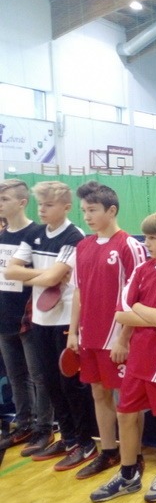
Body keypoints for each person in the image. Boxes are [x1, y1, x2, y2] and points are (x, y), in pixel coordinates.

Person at [90, 211, 156, 503]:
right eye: (145, 237)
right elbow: (121, 314)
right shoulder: (141, 270)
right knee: (125, 413)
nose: (146, 243)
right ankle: (128, 474)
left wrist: (137, 307)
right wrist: (146, 318)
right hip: (137, 359)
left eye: (152, 237)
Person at [6, 181, 96, 470]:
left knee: (70, 386)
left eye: (49, 205)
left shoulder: (74, 236)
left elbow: (50, 278)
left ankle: (85, 443)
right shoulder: (34, 234)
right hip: (39, 320)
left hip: (65, 321)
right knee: (51, 384)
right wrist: (45, 275)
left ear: (66, 207)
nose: (42, 210)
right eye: (40, 205)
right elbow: (11, 270)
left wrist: (36, 275)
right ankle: (68, 439)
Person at [67, 181, 147, 479]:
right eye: (84, 210)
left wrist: (124, 338)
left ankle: (134, 456)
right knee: (98, 393)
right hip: (89, 336)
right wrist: (73, 332)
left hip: (118, 339)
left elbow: (138, 298)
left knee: (127, 401)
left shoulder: (130, 246)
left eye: (92, 210)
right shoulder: (83, 246)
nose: (87, 216)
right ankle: (109, 451)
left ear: (111, 210)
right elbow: (78, 291)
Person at [0, 179, 51, 452]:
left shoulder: (37, 234)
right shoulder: (1, 236)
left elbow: (50, 275)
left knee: (39, 377)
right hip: (3, 317)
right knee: (16, 376)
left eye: (4, 199)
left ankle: (44, 429)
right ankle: (24, 426)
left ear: (22, 202)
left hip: (31, 320)